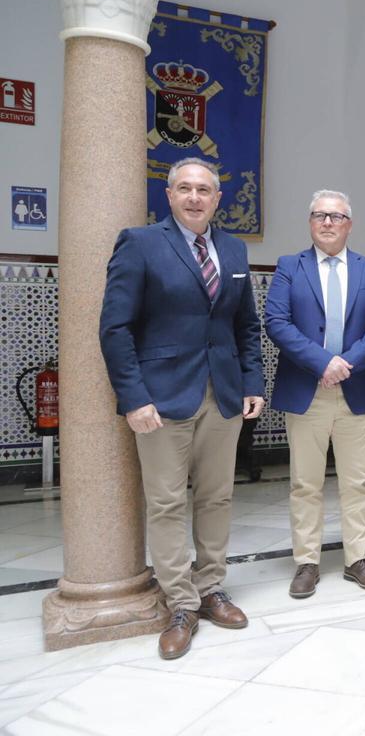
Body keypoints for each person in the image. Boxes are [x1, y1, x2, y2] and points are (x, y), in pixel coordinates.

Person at [99, 157, 265, 660]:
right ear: (169, 194)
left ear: (218, 198)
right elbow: (115, 328)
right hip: (161, 398)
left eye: (204, 190)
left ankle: (211, 587)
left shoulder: (233, 249)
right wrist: (133, 398)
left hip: (224, 395)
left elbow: (245, 326)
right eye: (185, 188)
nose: (195, 197)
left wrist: (252, 382)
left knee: (216, 498)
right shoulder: (140, 243)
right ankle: (181, 603)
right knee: (167, 502)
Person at [265, 190, 365, 599]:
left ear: (349, 225)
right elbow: (276, 321)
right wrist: (323, 362)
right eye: (319, 215)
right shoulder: (290, 267)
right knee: (305, 484)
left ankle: (358, 559)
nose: (327, 222)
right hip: (307, 390)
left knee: (357, 482)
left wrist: (346, 363)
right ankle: (307, 562)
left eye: (336, 216)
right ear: (310, 222)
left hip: (356, 389)